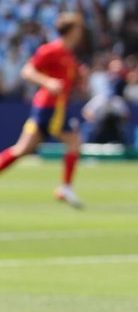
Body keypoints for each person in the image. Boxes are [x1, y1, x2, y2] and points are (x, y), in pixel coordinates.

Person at [0, 11, 87, 207]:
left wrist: (80, 77)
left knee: (22, 149)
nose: (81, 32)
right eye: (78, 28)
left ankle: (66, 187)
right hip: (51, 106)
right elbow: (27, 71)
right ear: (71, 30)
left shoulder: (69, 56)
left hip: (50, 107)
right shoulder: (51, 50)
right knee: (74, 142)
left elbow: (70, 83)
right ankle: (65, 187)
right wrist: (48, 82)